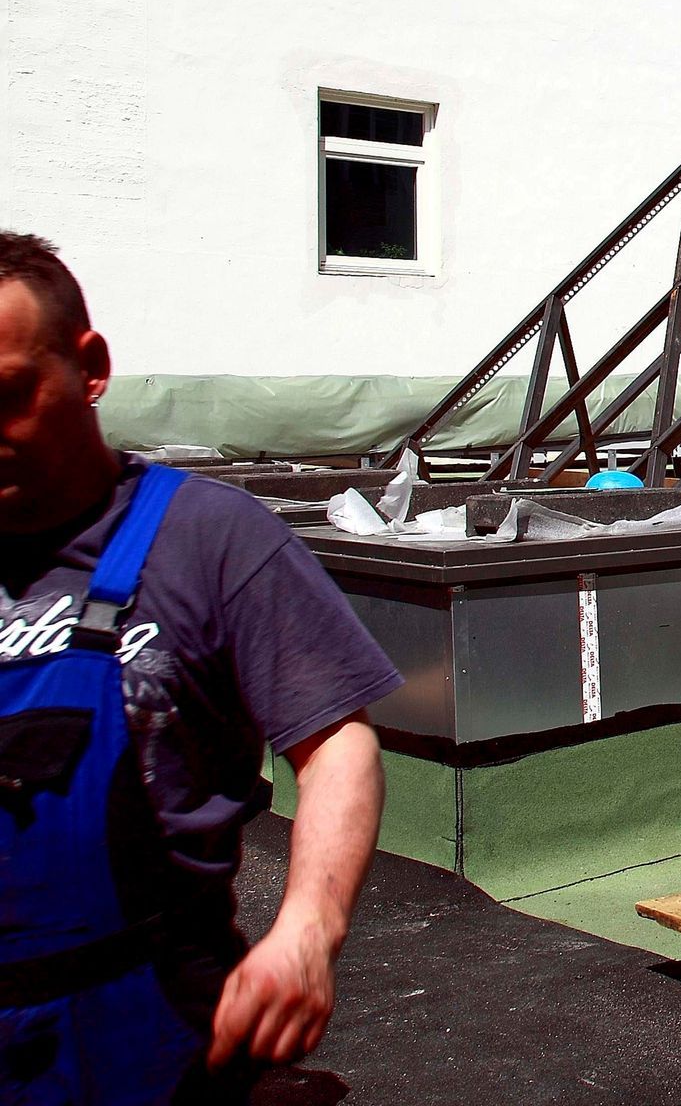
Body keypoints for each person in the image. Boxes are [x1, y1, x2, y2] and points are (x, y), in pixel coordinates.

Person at [0, 232, 401, 1102]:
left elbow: (336, 744)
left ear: (90, 366)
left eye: (10, 395)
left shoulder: (208, 538)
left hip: (149, 1028)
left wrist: (308, 928)